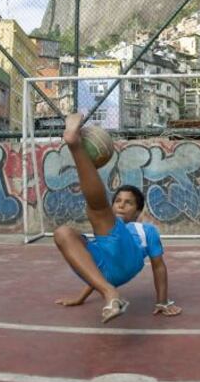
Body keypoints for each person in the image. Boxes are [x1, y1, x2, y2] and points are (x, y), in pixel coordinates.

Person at [54, 112, 182, 323]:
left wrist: (163, 301)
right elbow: (93, 267)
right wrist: (81, 297)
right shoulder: (110, 226)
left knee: (97, 211)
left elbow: (158, 265)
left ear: (138, 212)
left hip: (127, 260)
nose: (121, 204)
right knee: (63, 233)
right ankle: (109, 293)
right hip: (107, 271)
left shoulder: (145, 231)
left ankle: (74, 145)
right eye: (118, 201)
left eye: (128, 202)